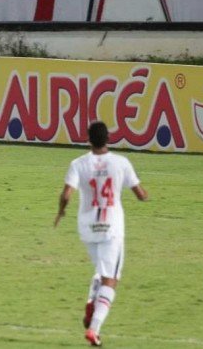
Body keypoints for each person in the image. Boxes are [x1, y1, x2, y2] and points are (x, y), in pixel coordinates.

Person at [54, 121, 148, 347]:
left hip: (87, 228)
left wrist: (61, 212)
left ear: (89, 139)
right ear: (108, 138)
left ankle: (91, 301)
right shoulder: (121, 163)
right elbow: (140, 193)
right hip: (111, 229)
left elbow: (67, 193)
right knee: (111, 279)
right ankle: (94, 329)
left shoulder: (78, 164)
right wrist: (144, 195)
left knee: (101, 270)